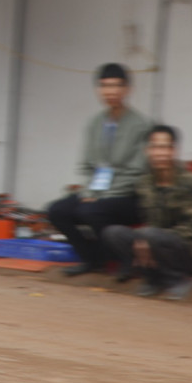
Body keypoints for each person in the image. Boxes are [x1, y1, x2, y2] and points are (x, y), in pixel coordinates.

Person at [47, 63, 152, 278]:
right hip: (96, 192)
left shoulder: (142, 125)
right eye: (104, 86)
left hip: (129, 195)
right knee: (57, 210)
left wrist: (101, 196)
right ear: (98, 90)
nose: (110, 91)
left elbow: (137, 172)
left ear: (127, 89)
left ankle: (125, 260)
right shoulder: (94, 123)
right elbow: (86, 166)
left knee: (89, 211)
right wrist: (89, 192)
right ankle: (91, 259)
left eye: (116, 86)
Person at [103, 125, 192, 300]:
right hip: (156, 241)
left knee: (150, 235)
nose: (160, 153)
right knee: (113, 233)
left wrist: (153, 237)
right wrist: (145, 239)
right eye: (155, 147)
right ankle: (153, 278)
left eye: (164, 147)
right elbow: (148, 219)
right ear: (147, 151)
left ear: (174, 151)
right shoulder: (144, 183)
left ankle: (179, 280)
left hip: (191, 248)